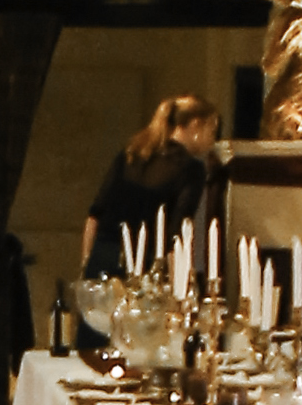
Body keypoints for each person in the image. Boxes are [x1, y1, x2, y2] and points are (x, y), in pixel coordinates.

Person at [84, 91, 219, 273]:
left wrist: (86, 262)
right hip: (147, 264)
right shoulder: (191, 169)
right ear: (195, 126)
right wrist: (181, 284)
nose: (212, 141)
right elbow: (177, 233)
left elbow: (95, 215)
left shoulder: (131, 154)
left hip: (103, 257)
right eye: (211, 131)